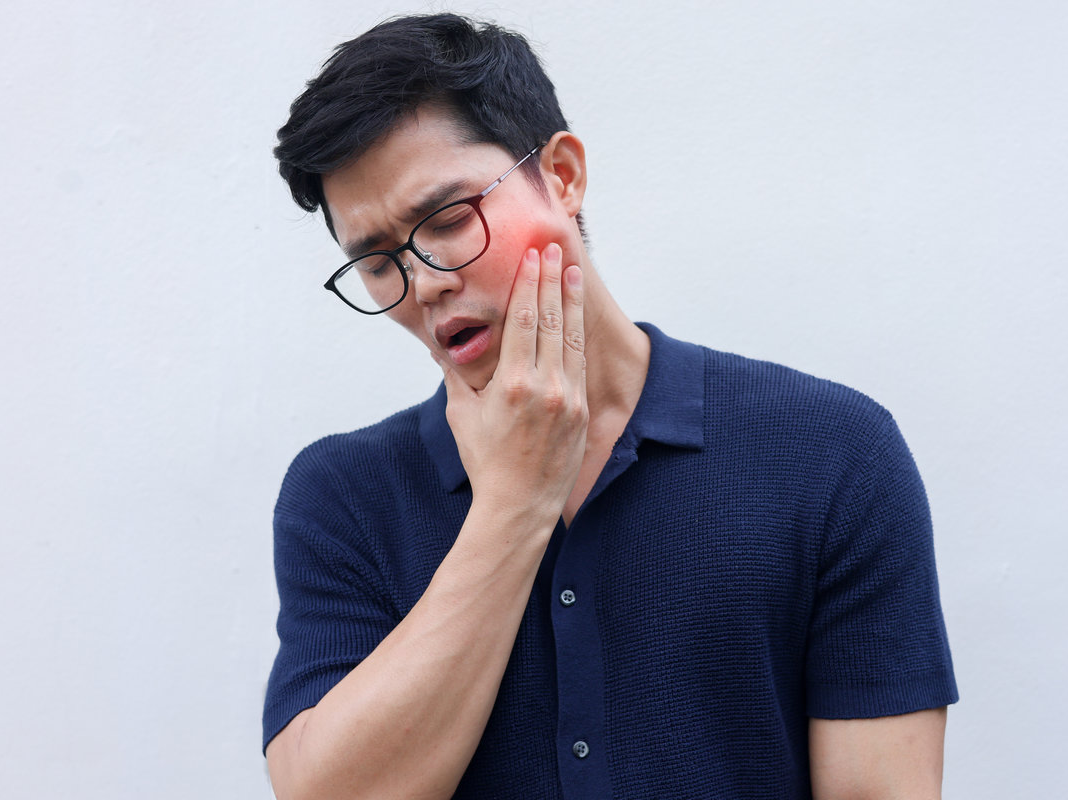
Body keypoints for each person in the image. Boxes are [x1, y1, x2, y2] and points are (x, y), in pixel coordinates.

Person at [263, 12, 958, 799]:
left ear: (560, 175)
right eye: (377, 262)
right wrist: (515, 503)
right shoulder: (345, 495)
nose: (423, 284)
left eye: (450, 220)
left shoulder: (831, 452)